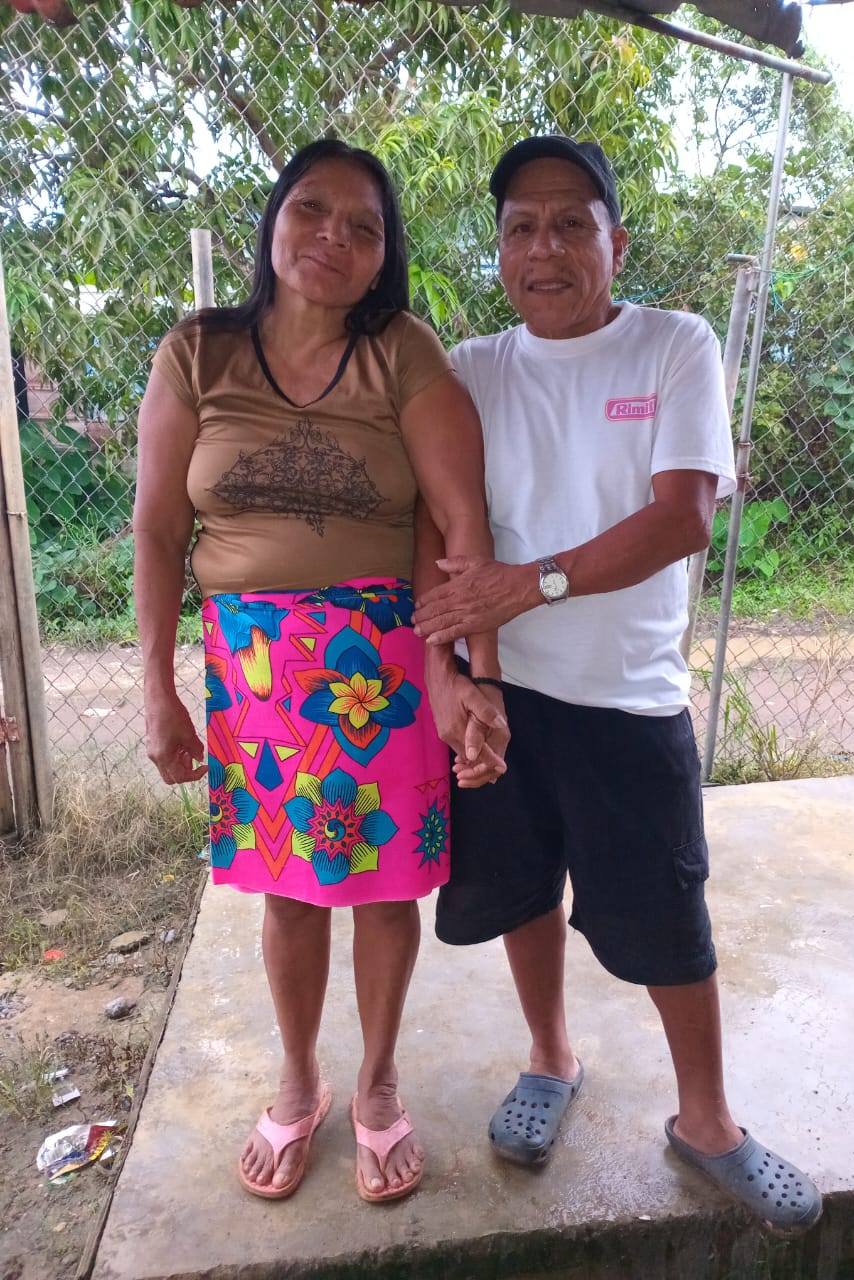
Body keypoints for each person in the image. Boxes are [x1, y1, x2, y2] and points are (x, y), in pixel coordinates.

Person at [413, 135, 822, 1232]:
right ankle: (550, 1056)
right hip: (507, 692)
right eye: (520, 227)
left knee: (667, 915)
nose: (544, 248)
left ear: (616, 242)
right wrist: (451, 677)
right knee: (521, 889)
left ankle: (708, 1119)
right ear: (500, 249)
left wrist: (529, 583)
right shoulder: (472, 368)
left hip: (631, 697)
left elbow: (682, 516)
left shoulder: (674, 345)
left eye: (570, 224)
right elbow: (435, 522)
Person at [133, 138, 507, 1206]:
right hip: (253, 674)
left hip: (381, 667)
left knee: (383, 893)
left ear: (385, 255)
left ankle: (378, 1080)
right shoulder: (197, 352)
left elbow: (461, 520)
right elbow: (156, 530)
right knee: (291, 896)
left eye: (364, 226)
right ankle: (299, 1078)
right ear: (273, 221)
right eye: (311, 209)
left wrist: (470, 674)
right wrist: (158, 686)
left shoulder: (403, 351)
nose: (333, 237)